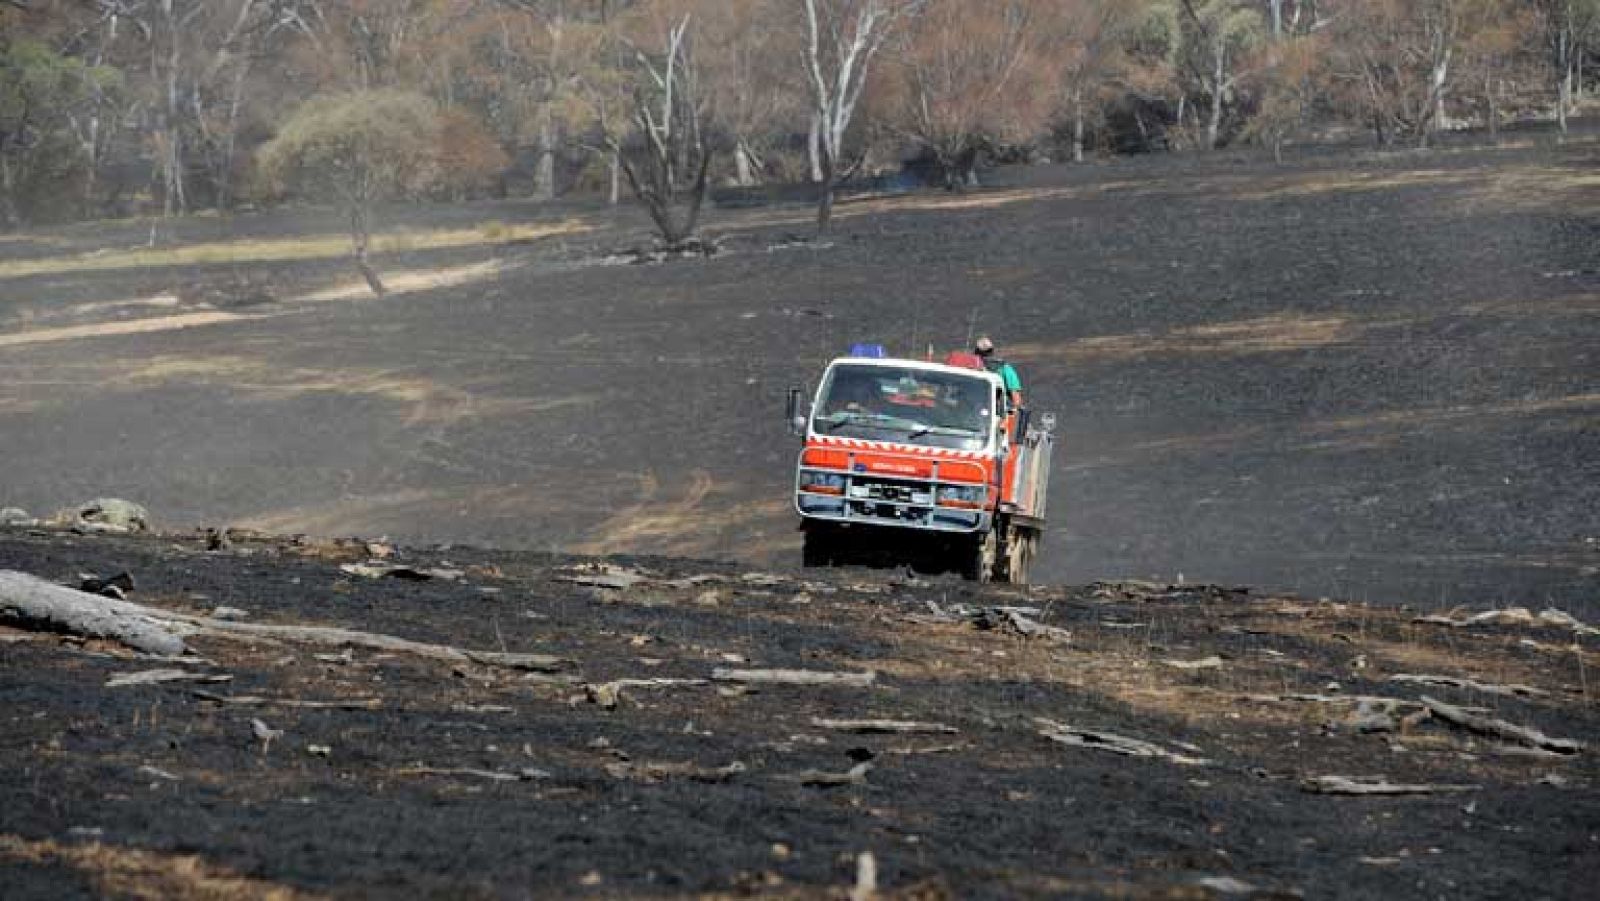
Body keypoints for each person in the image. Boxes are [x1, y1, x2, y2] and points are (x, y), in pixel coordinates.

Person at [974, 335, 1022, 408]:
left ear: (976, 352)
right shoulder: (1006, 369)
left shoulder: (971, 368)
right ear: (992, 351)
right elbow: (1016, 398)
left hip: (994, 410)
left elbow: (1015, 398)